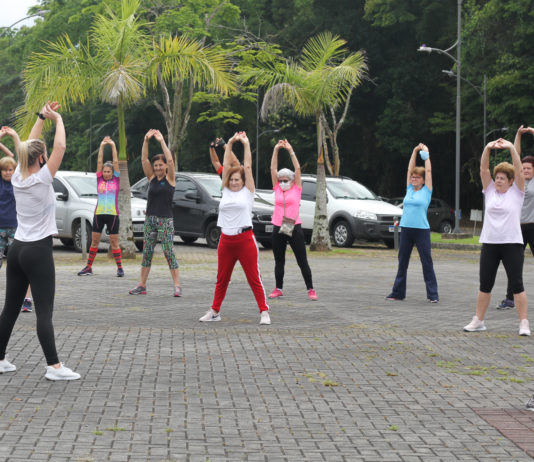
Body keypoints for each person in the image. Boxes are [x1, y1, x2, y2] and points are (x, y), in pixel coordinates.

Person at [0, 103, 80, 380]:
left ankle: (0, 359)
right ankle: (54, 367)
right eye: (44, 153)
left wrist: (40, 118)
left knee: (10, 309)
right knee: (44, 312)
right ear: (41, 158)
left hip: (18, 249)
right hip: (38, 251)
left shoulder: (18, 176)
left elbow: (30, 146)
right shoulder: (43, 178)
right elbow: (61, 147)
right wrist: (57, 119)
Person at [199, 131, 271, 325]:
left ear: (243, 181)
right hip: (226, 240)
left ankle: (264, 311)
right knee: (222, 279)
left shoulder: (248, 192)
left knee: (253, 278)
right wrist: (229, 142)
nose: (233, 182)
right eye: (231, 180)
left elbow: (247, 166)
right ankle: (215, 312)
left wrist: (246, 144)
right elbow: (224, 163)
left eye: (237, 180)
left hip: (244, 239)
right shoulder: (226, 190)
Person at [464, 138, 530, 336]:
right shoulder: (490, 190)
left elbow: (519, 171)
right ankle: (478, 320)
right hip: (490, 243)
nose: (499, 180)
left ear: (510, 181)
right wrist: (487, 148)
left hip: (512, 244)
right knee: (485, 284)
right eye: (497, 177)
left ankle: (524, 323)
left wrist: (510, 148)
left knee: (517, 285)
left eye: (503, 178)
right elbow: (483, 169)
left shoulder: (517, 192)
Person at [129, 129, 181, 297]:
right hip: (150, 220)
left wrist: (161, 141)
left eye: (160, 165)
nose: (158, 168)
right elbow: (144, 159)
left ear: (165, 166)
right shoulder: (151, 178)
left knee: (168, 252)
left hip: (165, 220)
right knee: (147, 252)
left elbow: (171, 160)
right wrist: (146, 140)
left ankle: (177, 286)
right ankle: (142, 285)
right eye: (156, 165)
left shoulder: (170, 179)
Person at [385, 143, 438, 302]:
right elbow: (409, 169)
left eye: (417, 177)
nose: (414, 178)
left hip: (421, 230)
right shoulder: (409, 189)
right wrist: (415, 151)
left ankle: (433, 295)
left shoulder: (427, 190)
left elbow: (428, 171)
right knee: (402, 262)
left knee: (426, 262)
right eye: (413, 177)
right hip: (406, 229)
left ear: (423, 180)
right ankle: (398, 293)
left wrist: (426, 154)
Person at [267, 139, 317, 301]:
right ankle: (278, 288)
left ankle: (310, 289)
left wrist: (290, 150)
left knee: (301, 260)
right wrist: (276, 149)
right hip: (278, 225)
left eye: (285, 180)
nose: (282, 182)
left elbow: (297, 169)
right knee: (279, 260)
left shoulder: (297, 188)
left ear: (292, 180)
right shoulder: (277, 188)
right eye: (280, 180)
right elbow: (272, 169)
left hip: (293, 225)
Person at [497, 125, 534, 309]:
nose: (525, 170)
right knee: (514, 265)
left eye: (529, 168)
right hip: (517, 228)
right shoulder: (516, 182)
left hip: (533, 226)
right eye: (523, 168)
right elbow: (515, 156)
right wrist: (518, 135)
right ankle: (510, 299)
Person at [78, 136, 123, 277]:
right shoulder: (99, 179)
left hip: (113, 215)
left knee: (114, 242)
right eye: (105, 171)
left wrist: (113, 145)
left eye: (109, 171)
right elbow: (99, 162)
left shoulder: (116, 179)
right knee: (95, 242)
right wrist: (102, 146)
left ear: (112, 172)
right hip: (99, 214)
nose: (107, 173)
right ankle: (88, 267)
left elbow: (115, 162)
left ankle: (120, 268)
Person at [0, 135, 34, 313]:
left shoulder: (17, 181)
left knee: (22, 265)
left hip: (16, 229)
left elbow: (20, 157)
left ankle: (26, 299)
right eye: (4, 170)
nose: (7, 172)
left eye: (10, 170)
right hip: (0, 230)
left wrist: (14, 136)